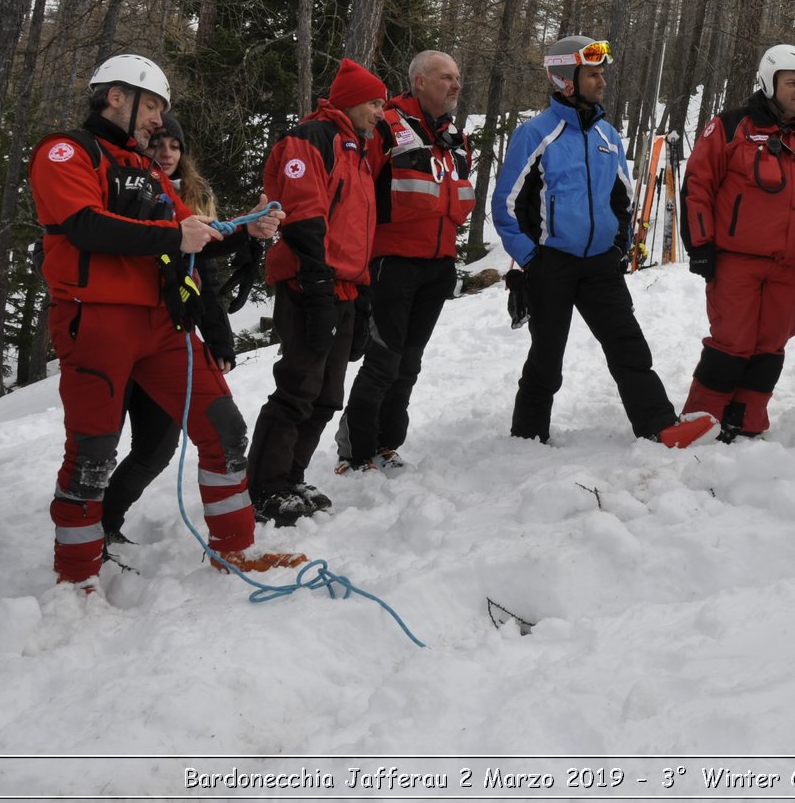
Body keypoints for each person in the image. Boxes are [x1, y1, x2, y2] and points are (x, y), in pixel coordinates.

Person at [29, 54, 298, 585]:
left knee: (224, 429)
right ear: (116, 97)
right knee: (92, 455)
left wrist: (249, 231)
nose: (158, 120)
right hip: (96, 320)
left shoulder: (147, 170)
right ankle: (76, 576)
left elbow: (194, 230)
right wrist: (176, 237)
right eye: (151, 105)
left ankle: (235, 549)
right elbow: (85, 226)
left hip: (162, 323)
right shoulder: (66, 151)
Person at [492, 35, 716, 449]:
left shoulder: (608, 135)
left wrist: (618, 246)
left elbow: (623, 197)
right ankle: (527, 435)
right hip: (551, 263)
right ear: (566, 80)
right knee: (547, 358)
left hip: (599, 264)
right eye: (592, 74)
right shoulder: (536, 133)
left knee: (628, 345)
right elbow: (504, 205)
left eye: (601, 73)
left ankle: (659, 426)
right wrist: (530, 258)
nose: (602, 82)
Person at [246, 59, 385, 526]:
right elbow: (305, 216)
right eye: (373, 103)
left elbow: (357, 230)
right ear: (350, 101)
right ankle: (264, 487)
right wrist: (319, 285)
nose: (380, 113)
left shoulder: (356, 149)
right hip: (310, 285)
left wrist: (362, 292)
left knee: (327, 394)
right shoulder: (310, 140)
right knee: (298, 388)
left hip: (345, 287)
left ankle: (291, 477)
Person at [680, 44, 795, 442]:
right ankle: (702, 420)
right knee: (732, 341)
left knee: (771, 344)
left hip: (792, 265)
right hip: (738, 260)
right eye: (791, 82)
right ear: (769, 83)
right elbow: (697, 185)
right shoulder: (731, 126)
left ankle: (747, 421)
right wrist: (700, 245)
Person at [103, 112, 244, 545]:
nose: (166, 153)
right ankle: (91, 535)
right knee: (98, 445)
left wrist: (218, 336)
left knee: (157, 447)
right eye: (158, 142)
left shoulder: (195, 203)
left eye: (175, 146)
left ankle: (107, 519)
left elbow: (208, 276)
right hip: (114, 332)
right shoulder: (115, 184)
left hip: (170, 334)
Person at [335, 50, 475, 474]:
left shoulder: (455, 137)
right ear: (419, 81)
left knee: (409, 363)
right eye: (446, 77)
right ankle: (356, 451)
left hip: (437, 266)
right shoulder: (387, 126)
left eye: (457, 78)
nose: (455, 85)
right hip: (391, 262)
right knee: (383, 361)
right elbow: (358, 192)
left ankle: (386, 443)